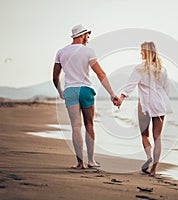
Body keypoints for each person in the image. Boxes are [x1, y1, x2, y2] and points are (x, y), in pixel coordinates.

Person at [53, 24, 118, 169]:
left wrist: (60, 92)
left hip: (70, 90)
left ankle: (80, 162)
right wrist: (112, 94)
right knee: (89, 124)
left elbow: (55, 76)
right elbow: (100, 74)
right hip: (85, 90)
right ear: (82, 35)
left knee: (76, 127)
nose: (88, 38)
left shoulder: (61, 52)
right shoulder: (88, 51)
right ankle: (91, 161)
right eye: (87, 35)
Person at [117, 41, 172, 175]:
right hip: (159, 104)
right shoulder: (162, 70)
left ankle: (149, 157)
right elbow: (166, 90)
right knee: (157, 137)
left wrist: (121, 98)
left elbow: (130, 85)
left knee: (144, 134)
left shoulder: (139, 69)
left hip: (144, 104)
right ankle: (154, 169)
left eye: (142, 50)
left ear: (146, 52)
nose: (140, 53)